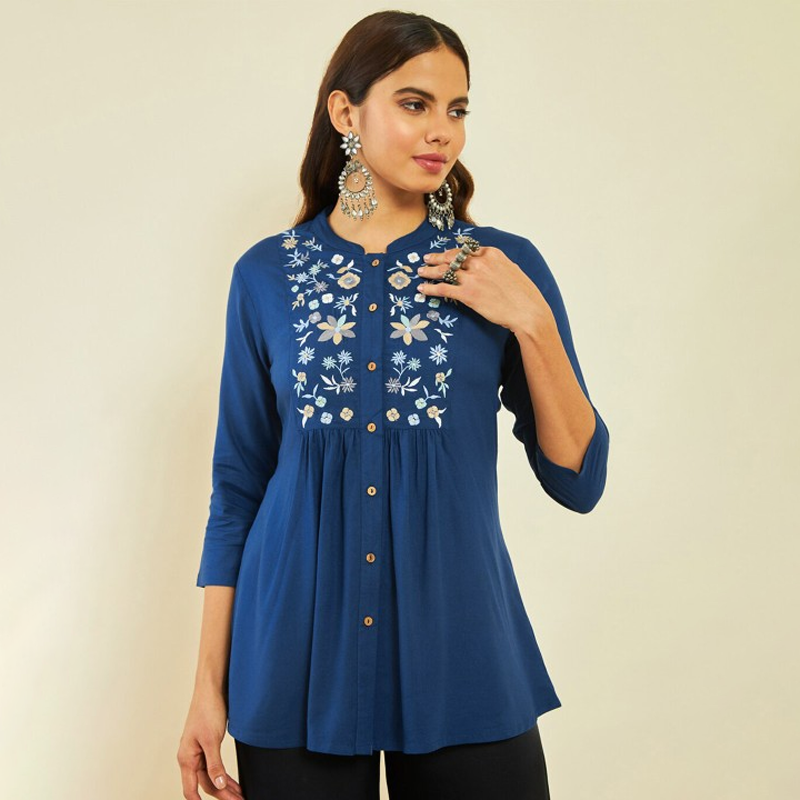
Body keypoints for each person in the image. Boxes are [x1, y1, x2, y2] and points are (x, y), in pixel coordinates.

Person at [177, 10, 610, 800]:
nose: (443, 130)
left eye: (457, 109)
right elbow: (238, 489)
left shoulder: (500, 267)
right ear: (347, 114)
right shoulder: (265, 276)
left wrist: (533, 321)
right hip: (293, 662)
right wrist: (208, 688)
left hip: (462, 654)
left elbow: (578, 478)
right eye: (415, 104)